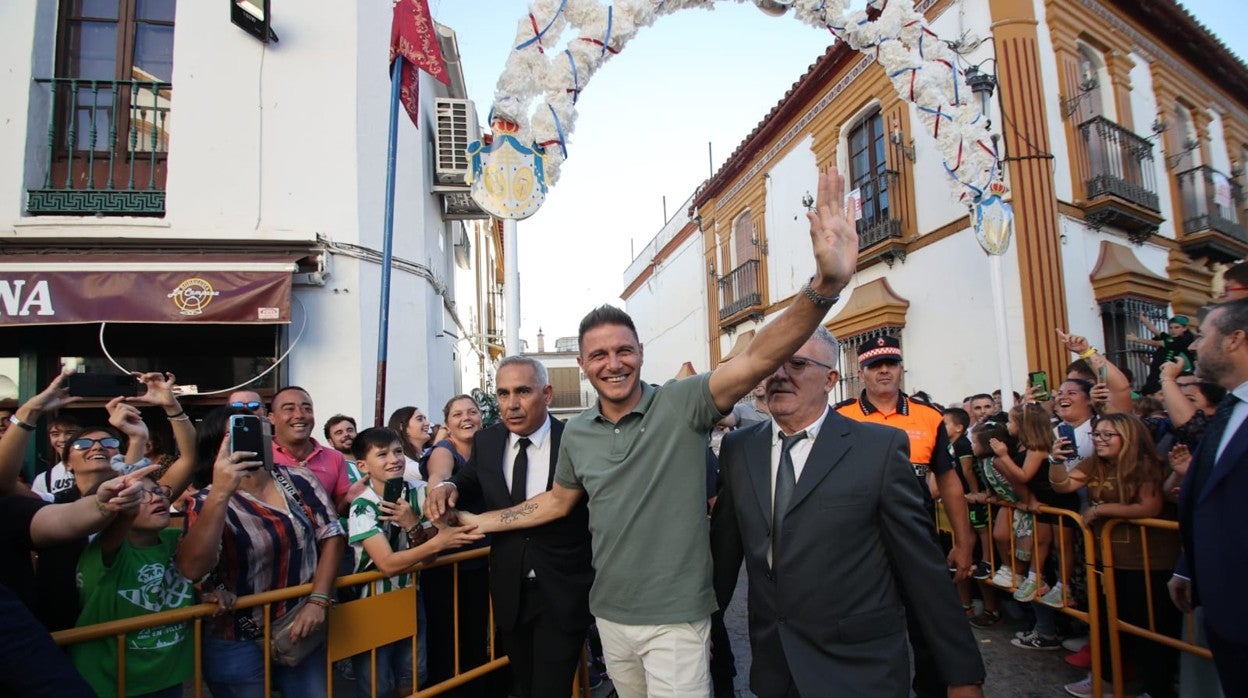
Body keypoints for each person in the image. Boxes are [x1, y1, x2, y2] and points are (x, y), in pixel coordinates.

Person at [431, 164, 858, 698]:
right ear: (583, 365)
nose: (614, 363)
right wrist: (481, 520)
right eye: (600, 355)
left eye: (624, 350)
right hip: (609, 614)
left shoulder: (684, 404)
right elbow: (556, 502)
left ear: (640, 354)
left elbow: (755, 359)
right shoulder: (579, 432)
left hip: (677, 619)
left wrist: (824, 286)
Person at [709, 327, 984, 697]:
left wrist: (962, 674)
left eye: (797, 363)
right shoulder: (739, 449)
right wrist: (701, 628)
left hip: (859, 667)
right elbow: (725, 554)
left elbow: (923, 568)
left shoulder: (878, 449)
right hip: (776, 665)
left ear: (831, 378)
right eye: (772, 363)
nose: (779, 375)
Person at [429, 356, 594, 698]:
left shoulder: (575, 440)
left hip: (562, 592)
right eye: (503, 394)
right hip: (509, 593)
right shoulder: (487, 442)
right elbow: (469, 479)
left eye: (522, 391)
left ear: (547, 394)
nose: (512, 404)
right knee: (525, 685)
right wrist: (446, 487)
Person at [833, 336, 975, 697]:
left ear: (901, 368)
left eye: (891, 363)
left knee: (929, 627)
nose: (884, 370)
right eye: (874, 365)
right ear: (860, 372)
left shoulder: (930, 417)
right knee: (862, 629)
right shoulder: (838, 416)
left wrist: (964, 541)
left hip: (917, 540)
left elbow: (949, 482)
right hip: (859, 544)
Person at [177, 407, 345, 697]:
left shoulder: (299, 479)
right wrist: (220, 492)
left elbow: (332, 534)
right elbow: (192, 568)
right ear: (217, 445)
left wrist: (317, 600)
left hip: (298, 625)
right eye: (238, 434)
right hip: (234, 636)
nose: (251, 439)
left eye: (258, 430)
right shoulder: (204, 501)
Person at [346, 427, 482, 696]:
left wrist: (412, 526)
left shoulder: (420, 492)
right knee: (377, 683)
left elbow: (429, 555)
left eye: (397, 452)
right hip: (372, 602)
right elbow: (387, 563)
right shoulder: (362, 505)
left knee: (412, 677)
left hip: (410, 597)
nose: (393, 459)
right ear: (363, 465)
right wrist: (439, 541)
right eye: (382, 454)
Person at [1051, 413, 1179, 698]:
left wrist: (1100, 510)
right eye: (1097, 434)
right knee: (1109, 624)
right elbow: (1063, 486)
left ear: (1129, 436)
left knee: (1151, 630)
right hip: (1108, 560)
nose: (1100, 440)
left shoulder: (1145, 465)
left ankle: (1156, 689)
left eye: (1109, 435)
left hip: (1147, 562)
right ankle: (1106, 679)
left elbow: (1150, 507)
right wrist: (1056, 461)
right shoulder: (1095, 462)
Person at [1169, 298, 1248, 696]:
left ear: (1235, 339)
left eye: (1203, 336)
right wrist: (1189, 566)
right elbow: (1209, 496)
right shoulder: (1230, 408)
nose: (1195, 347)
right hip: (1221, 603)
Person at [70, 473, 196, 698]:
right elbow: (112, 535)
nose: (156, 498)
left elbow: (197, 570)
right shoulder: (104, 551)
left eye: (158, 491)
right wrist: (123, 512)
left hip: (166, 677)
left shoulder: (176, 541)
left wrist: (209, 593)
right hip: (109, 682)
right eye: (138, 496)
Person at [269, 386, 352, 516]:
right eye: (289, 409)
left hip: (326, 535)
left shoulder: (334, 458)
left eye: (307, 409)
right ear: (272, 418)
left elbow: (340, 510)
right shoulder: (258, 456)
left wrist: (351, 498)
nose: (299, 415)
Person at [30, 413, 79, 497]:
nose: (63, 439)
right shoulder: (43, 478)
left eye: (70, 433)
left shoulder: (101, 469)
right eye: (55, 434)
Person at [388, 406, 433, 481]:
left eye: (425, 419)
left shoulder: (426, 453)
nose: (427, 423)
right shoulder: (401, 460)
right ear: (402, 426)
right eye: (419, 419)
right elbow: (433, 472)